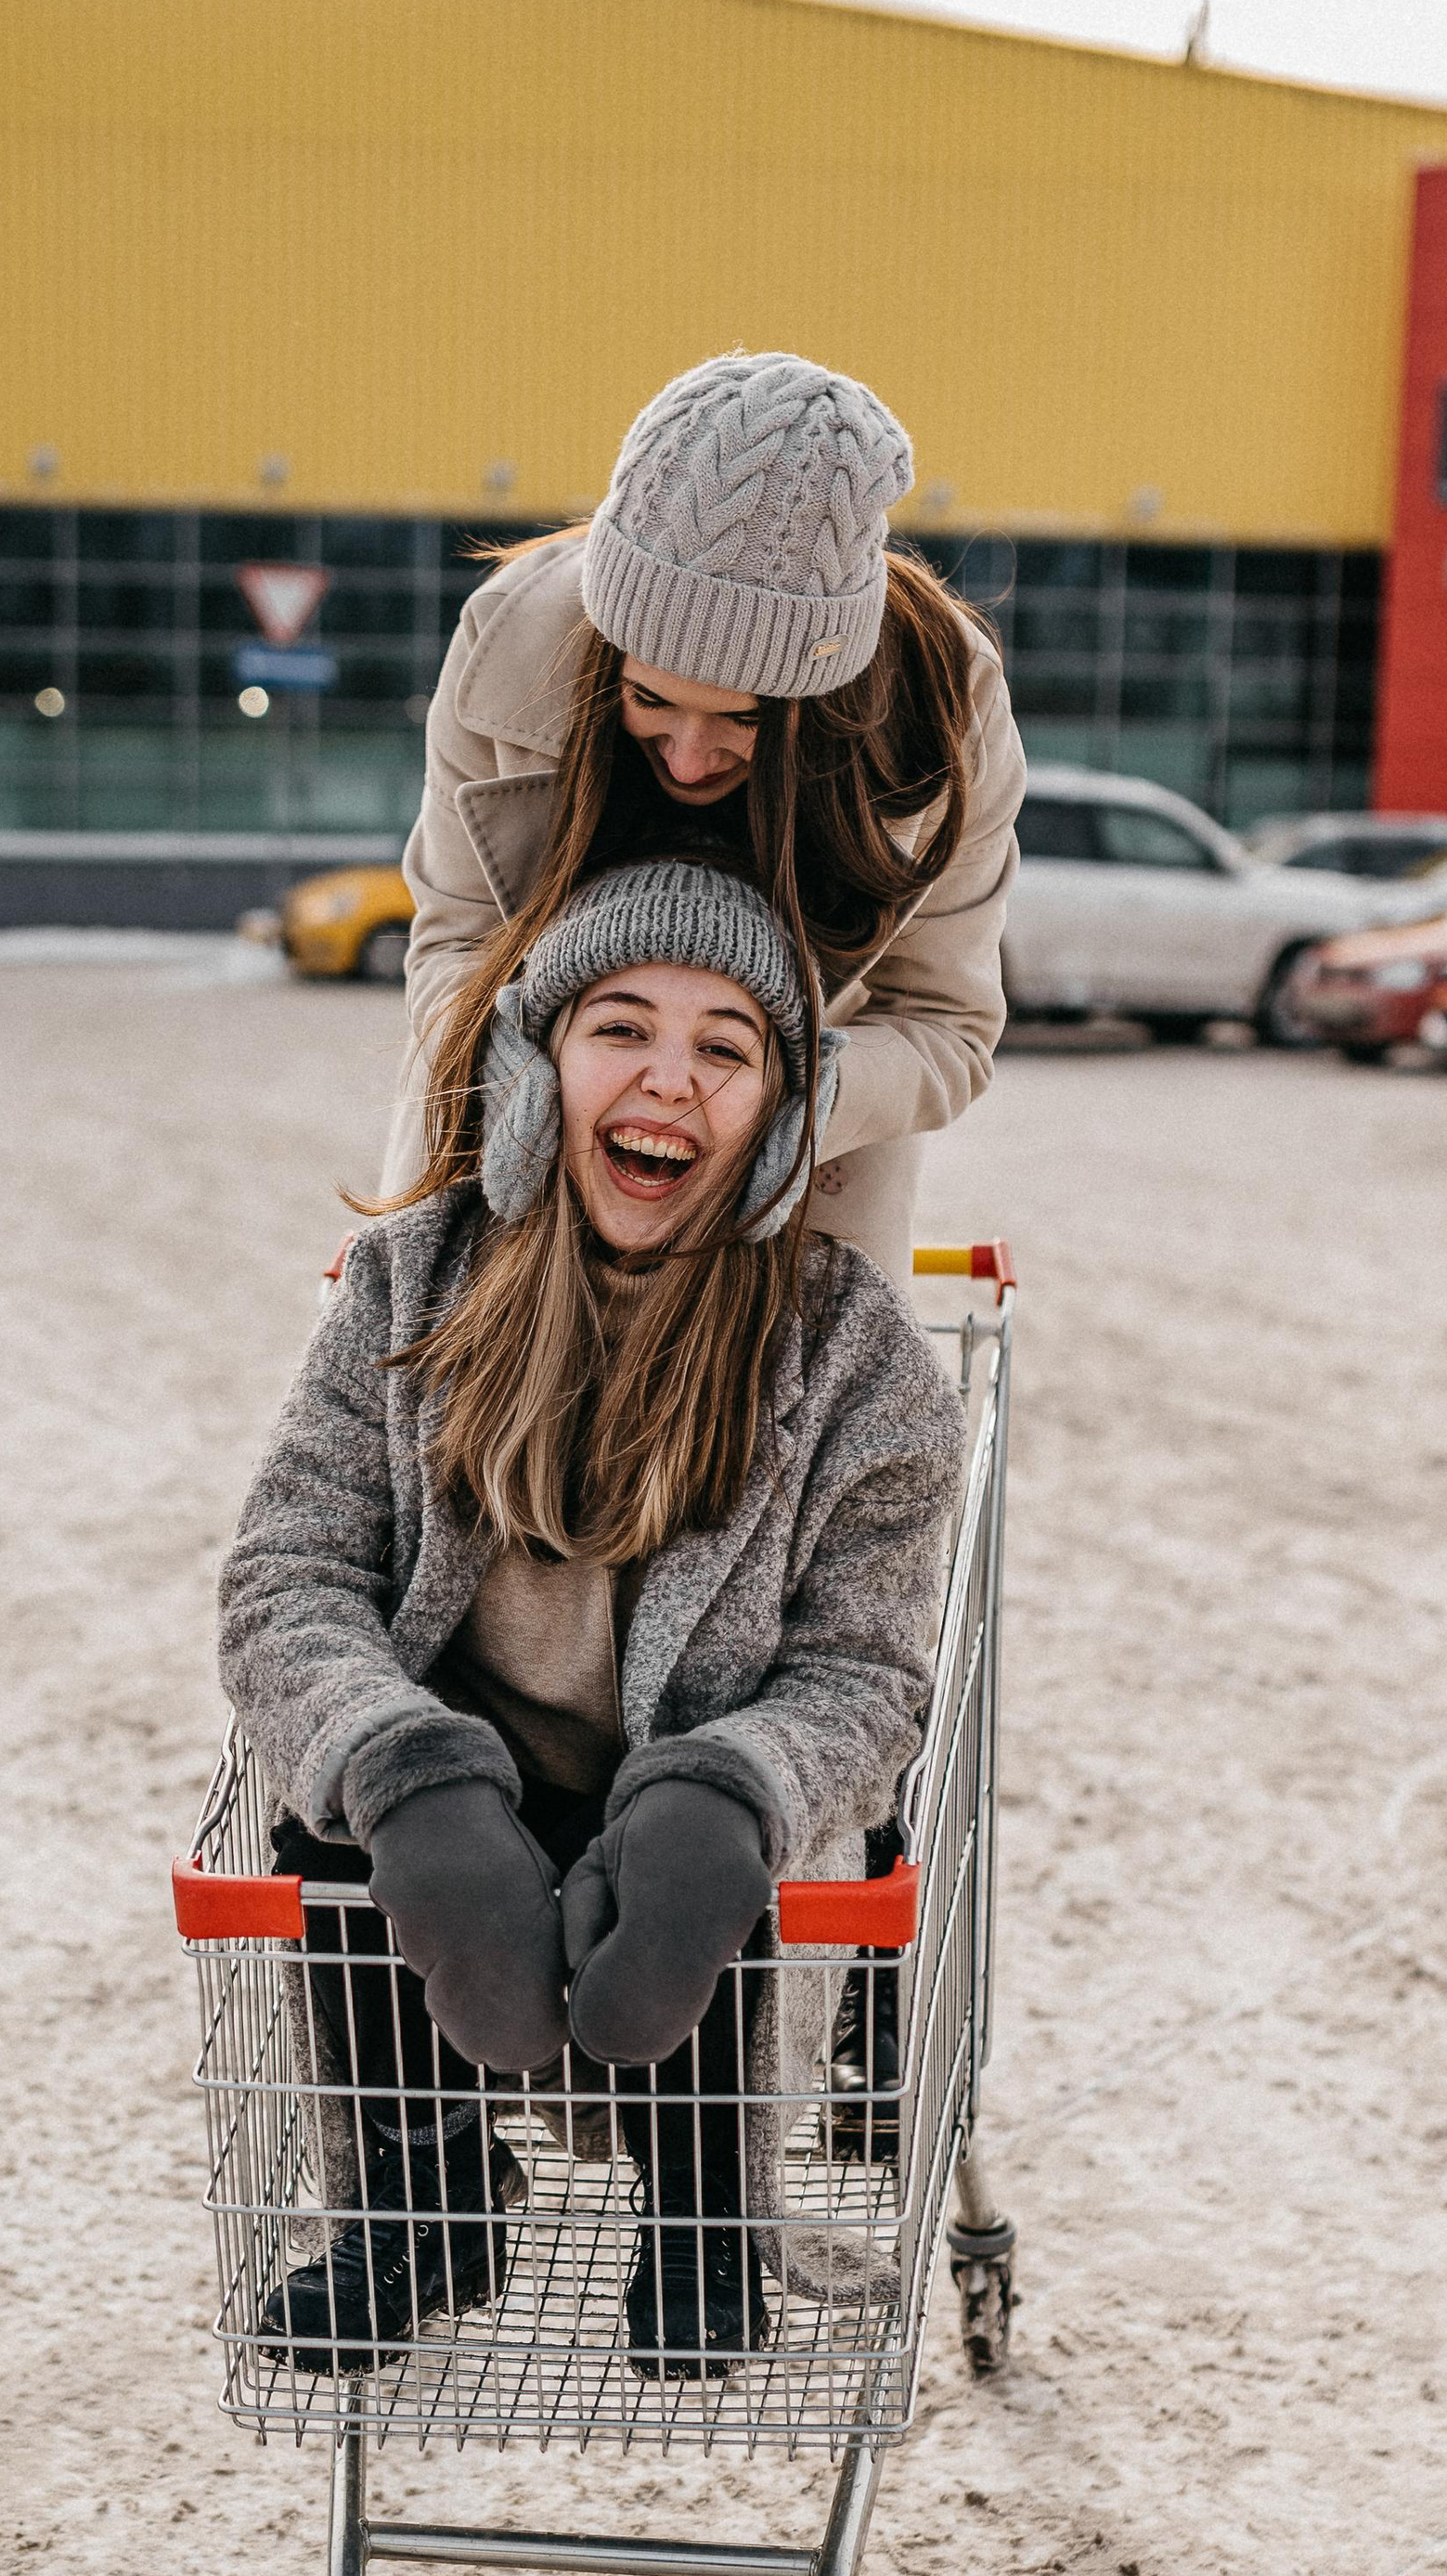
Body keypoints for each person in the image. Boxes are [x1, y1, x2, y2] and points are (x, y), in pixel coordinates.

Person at [218, 856, 966, 2377]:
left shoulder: (855, 1356)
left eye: (725, 1047)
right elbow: (285, 1575)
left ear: (778, 1113)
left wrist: (735, 1784)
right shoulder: (414, 1285)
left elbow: (869, 1670)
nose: (668, 1081)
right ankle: (421, 2210)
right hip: (471, 1788)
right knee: (336, 1819)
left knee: (716, 1852)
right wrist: (401, 1767)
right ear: (541, 1060)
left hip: (699, 1812)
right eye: (622, 1026)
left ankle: (703, 2219)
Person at [383, 350, 1027, 1287]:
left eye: (744, 720)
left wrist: (805, 1102)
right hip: (513, 1141)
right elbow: (454, 939)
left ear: (821, 704)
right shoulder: (507, 650)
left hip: (804, 1179)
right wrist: (511, 1068)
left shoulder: (944, 715)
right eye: (649, 700)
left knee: (799, 1384)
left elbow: (948, 1026)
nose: (687, 758)